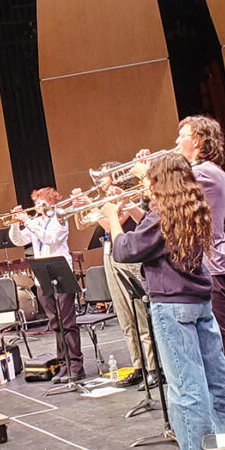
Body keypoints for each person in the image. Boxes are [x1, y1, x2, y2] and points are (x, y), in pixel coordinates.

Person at [103, 154, 225, 450]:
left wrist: (111, 218)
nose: (145, 185)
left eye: (150, 179)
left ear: (162, 180)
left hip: (172, 305)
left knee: (185, 385)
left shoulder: (161, 214)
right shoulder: (192, 206)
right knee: (217, 378)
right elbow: (157, 239)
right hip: (199, 302)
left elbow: (125, 250)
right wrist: (136, 210)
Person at [174, 115, 225, 395]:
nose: (176, 141)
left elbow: (169, 187)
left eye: (183, 135)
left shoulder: (204, 171)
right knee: (214, 336)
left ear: (198, 140)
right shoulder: (198, 171)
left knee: (222, 337)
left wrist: (149, 172)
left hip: (214, 265)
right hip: (209, 264)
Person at [74, 165, 158, 388]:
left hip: (129, 254)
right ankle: (137, 365)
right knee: (123, 315)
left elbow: (115, 225)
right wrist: (81, 209)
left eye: (104, 178)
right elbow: (82, 225)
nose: (100, 183)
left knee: (139, 314)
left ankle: (153, 367)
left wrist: (104, 210)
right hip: (109, 254)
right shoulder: (108, 201)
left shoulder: (127, 197)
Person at [8, 188, 84, 382]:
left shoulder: (60, 218)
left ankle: (76, 365)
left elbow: (49, 238)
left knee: (67, 322)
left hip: (62, 272)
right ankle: (62, 364)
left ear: (51, 202)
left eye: (42, 201)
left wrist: (28, 221)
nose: (38, 205)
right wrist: (16, 224)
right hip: (43, 275)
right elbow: (18, 240)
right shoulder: (36, 223)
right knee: (55, 323)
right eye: (36, 201)